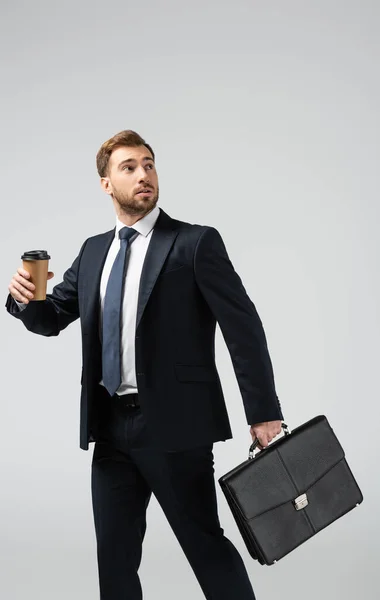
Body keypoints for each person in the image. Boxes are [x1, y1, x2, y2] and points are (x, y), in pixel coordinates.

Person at [5, 129, 284, 600]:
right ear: (106, 184)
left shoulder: (194, 243)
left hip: (177, 430)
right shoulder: (95, 251)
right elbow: (52, 319)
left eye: (149, 164)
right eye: (129, 167)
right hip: (112, 429)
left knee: (206, 550)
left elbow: (244, 328)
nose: (143, 175)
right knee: (114, 561)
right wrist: (25, 300)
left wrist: (262, 411)